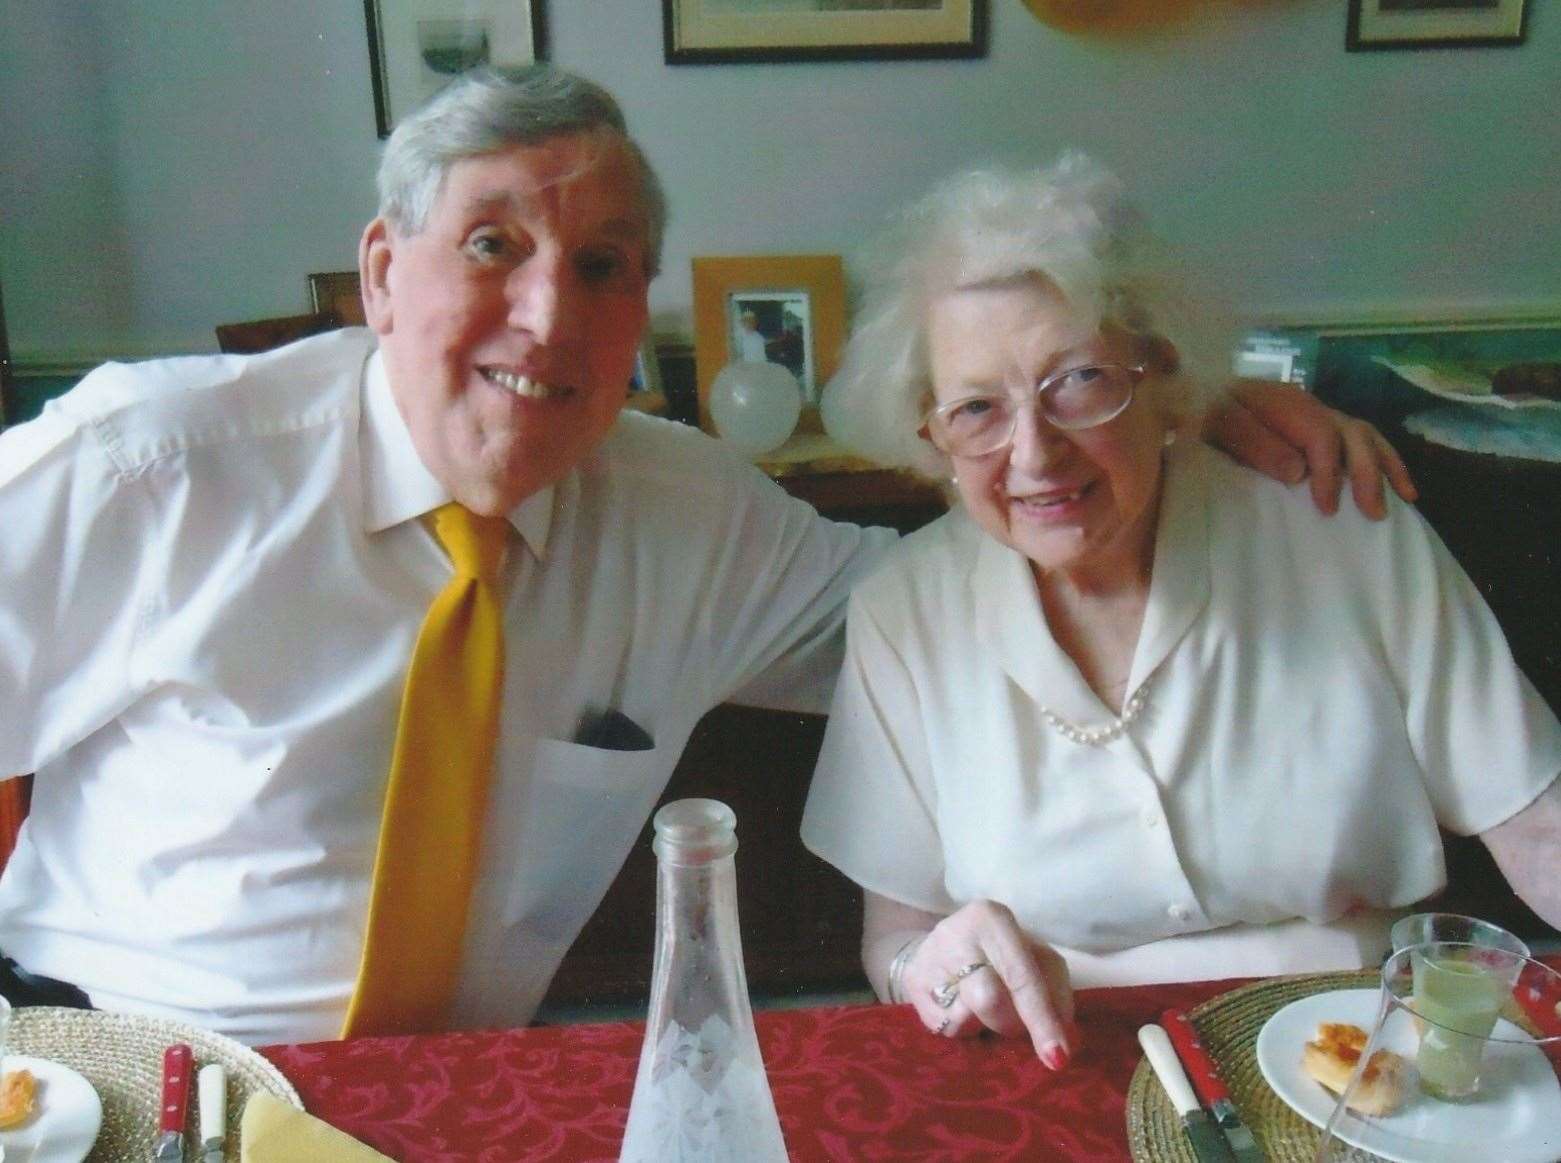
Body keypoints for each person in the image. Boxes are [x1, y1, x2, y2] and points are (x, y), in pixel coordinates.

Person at [0, 70, 1408, 1046]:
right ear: (381, 273)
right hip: (126, 1073)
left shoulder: (684, 509)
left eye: (605, 266)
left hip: (466, 1090)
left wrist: (1154, 405)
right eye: (494, 243)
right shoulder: (155, 465)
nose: (550, 313)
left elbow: (950, 613)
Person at [800, 155, 1561, 1071]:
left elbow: (1534, 822)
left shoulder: (1337, 528)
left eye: (1077, 380)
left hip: (1356, 1048)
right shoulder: (903, 614)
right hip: (1061, 1054)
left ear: (1160, 374)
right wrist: (938, 969)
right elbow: (898, 940)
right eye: (977, 408)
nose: (1034, 453)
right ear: (929, 430)